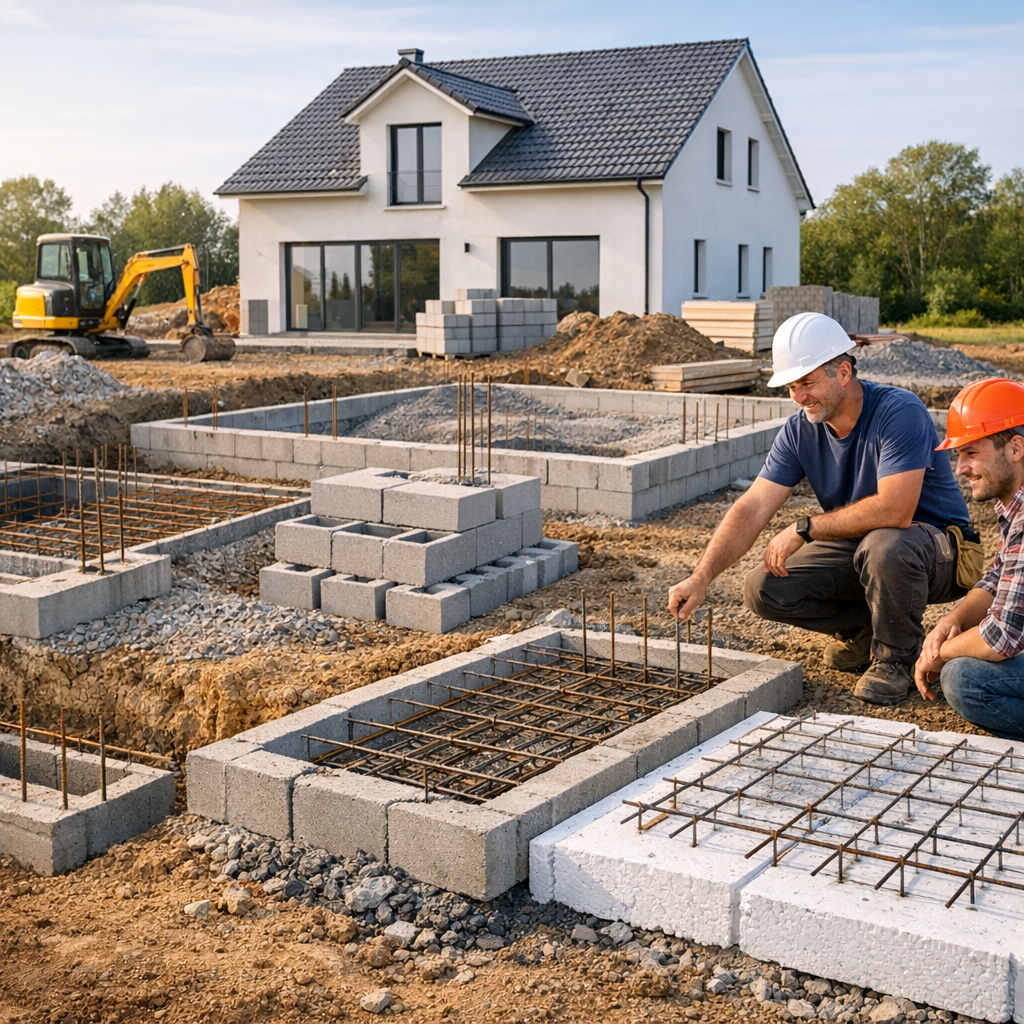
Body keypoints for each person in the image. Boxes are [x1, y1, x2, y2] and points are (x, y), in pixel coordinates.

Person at [668, 311, 978, 706]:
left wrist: (804, 527)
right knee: (764, 587)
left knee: (885, 545)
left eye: (808, 383)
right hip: (870, 546)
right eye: (792, 386)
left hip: (941, 552)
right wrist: (701, 576)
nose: (799, 397)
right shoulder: (801, 430)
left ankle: (896, 659)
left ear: (844, 372)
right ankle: (866, 632)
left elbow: (897, 510)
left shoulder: (898, 412)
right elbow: (753, 506)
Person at [914, 378, 1024, 739]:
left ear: (1015, 448)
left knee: (963, 678)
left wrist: (940, 652)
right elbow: (998, 576)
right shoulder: (1012, 501)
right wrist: (954, 619)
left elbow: (1000, 636)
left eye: (971, 453)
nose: (960, 467)